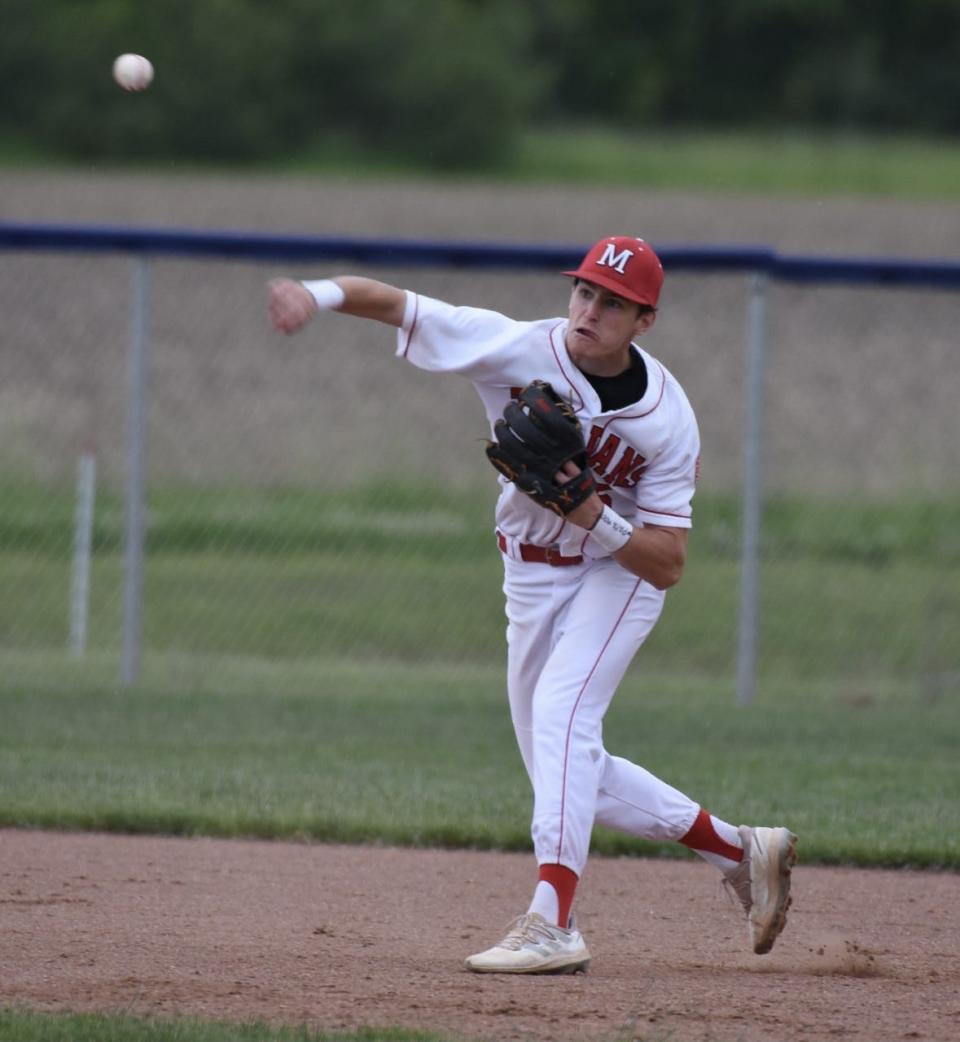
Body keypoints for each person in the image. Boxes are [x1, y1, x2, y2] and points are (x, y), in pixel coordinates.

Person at [268, 235, 797, 975]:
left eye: (613, 303)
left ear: (644, 319)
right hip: (529, 578)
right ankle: (743, 851)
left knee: (562, 718)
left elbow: (668, 563)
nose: (590, 310)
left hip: (617, 577)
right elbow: (394, 302)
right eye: (584, 292)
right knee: (567, 762)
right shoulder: (516, 348)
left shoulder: (667, 419)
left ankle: (553, 922)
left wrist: (592, 515)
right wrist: (315, 294)